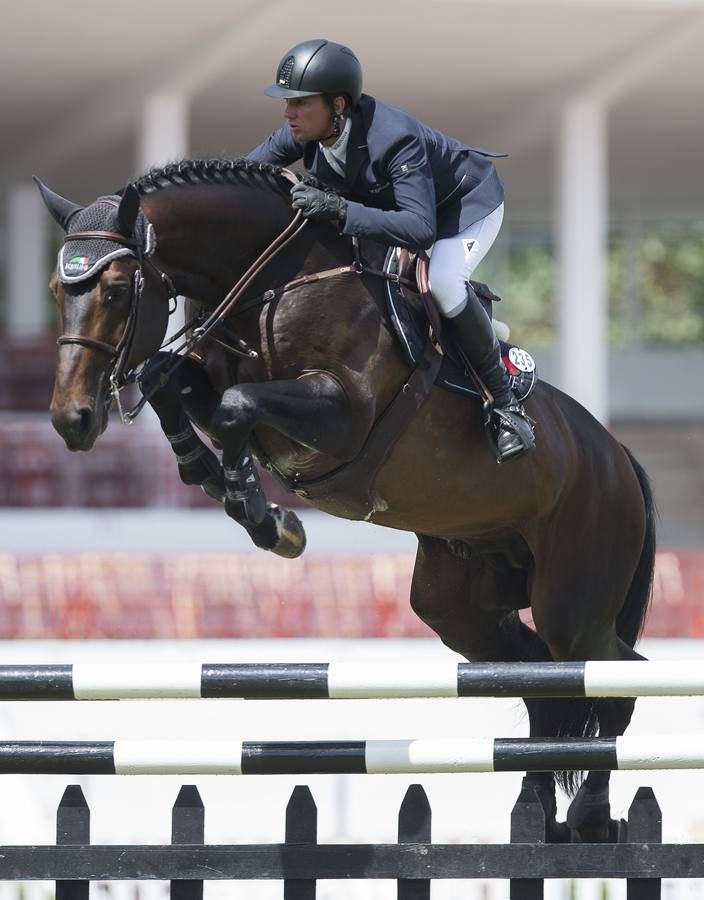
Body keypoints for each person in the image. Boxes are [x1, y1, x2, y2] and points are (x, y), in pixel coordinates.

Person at [247, 38, 534, 464]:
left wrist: (340, 208)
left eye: (300, 102)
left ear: (337, 105)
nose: (288, 112)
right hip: (408, 212)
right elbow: (242, 176)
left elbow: (419, 228)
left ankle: (506, 407)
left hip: (464, 206)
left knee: (442, 281)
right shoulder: (304, 131)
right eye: (287, 101)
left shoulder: (393, 137)